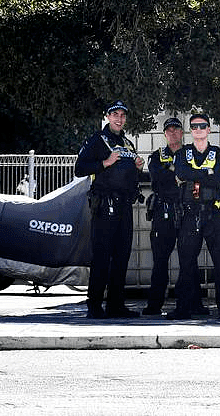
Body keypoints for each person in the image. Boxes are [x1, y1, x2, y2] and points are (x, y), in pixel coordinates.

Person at [75, 100, 145, 319]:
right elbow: (79, 169)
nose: (119, 119)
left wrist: (138, 168)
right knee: (102, 257)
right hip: (105, 206)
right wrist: (105, 163)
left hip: (125, 206)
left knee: (122, 256)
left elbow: (131, 177)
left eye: (123, 115)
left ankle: (116, 305)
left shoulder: (127, 143)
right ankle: (94, 306)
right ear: (107, 116)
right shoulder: (97, 140)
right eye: (115, 114)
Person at [167, 112, 220, 320]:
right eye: (194, 127)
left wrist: (197, 175)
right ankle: (183, 308)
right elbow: (181, 173)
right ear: (190, 130)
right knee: (186, 262)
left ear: (209, 129)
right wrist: (207, 174)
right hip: (190, 213)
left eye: (202, 126)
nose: (198, 130)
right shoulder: (183, 152)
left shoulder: (218, 153)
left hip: (214, 213)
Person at [142, 117, 185, 316]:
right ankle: (154, 305)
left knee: (188, 260)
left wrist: (174, 172)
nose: (173, 133)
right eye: (169, 130)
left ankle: (188, 304)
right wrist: (176, 174)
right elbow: (157, 177)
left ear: (182, 132)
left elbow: (192, 174)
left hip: (185, 210)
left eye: (176, 129)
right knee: (160, 260)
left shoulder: (189, 153)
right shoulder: (156, 155)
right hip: (163, 211)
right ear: (165, 133)